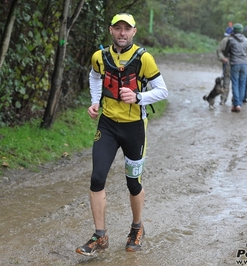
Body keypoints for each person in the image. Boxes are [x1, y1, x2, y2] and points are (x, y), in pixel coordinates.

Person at [75, 13, 168, 256]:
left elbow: (162, 91)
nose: (122, 33)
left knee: (132, 182)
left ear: (134, 32)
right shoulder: (100, 57)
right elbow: (95, 77)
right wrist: (96, 102)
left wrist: (139, 97)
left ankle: (137, 228)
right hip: (107, 125)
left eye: (127, 28)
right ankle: (100, 236)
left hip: (134, 127)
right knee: (97, 179)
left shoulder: (144, 58)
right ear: (111, 30)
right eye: (118, 28)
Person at [224, 23, 247, 113]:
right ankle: (239, 104)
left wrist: (230, 54)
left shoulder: (230, 40)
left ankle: (236, 104)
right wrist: (246, 55)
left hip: (235, 64)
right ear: (242, 31)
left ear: (234, 31)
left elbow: (226, 53)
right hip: (244, 65)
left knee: (235, 84)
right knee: (242, 84)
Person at [216, 27, 233, 105]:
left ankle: (236, 100)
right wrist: (223, 58)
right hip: (227, 65)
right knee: (226, 83)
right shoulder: (225, 40)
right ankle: (223, 99)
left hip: (237, 65)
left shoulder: (241, 41)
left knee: (236, 85)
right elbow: (219, 50)